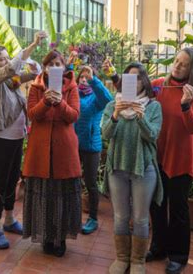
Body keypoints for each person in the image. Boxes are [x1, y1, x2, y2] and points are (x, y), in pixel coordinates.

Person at [0, 31, 46, 249]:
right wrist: (33, 45)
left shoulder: (10, 82)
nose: (7, 62)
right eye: (2, 58)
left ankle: (9, 220)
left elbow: (23, 76)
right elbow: (12, 69)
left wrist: (35, 70)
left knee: (12, 180)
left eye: (8, 57)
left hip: (16, 137)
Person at [147, 47, 193, 274]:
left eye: (184, 64)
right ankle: (158, 247)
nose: (178, 66)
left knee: (179, 210)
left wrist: (185, 105)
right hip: (158, 155)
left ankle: (178, 256)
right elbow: (139, 90)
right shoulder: (161, 84)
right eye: (176, 61)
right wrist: (114, 76)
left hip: (181, 158)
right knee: (157, 205)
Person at [101, 62, 163, 274]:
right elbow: (105, 135)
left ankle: (138, 261)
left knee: (140, 217)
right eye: (128, 78)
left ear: (144, 81)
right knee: (120, 216)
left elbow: (152, 136)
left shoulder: (153, 107)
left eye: (137, 78)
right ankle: (121, 258)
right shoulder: (112, 105)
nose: (133, 82)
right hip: (117, 168)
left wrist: (141, 117)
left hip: (143, 169)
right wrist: (116, 116)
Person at [22, 50, 81, 257]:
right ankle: (46, 237)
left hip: (64, 150)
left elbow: (73, 115)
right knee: (45, 194)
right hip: (40, 149)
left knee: (62, 195)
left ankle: (61, 237)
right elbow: (31, 115)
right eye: (51, 64)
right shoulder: (36, 87)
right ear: (45, 67)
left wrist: (60, 103)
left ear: (64, 68)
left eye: (59, 64)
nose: (55, 67)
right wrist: (46, 102)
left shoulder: (72, 87)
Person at [74, 66, 113, 234]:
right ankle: (73, 216)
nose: (83, 79)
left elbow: (108, 99)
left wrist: (93, 80)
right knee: (73, 182)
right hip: (73, 146)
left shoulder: (96, 98)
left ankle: (93, 219)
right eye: (81, 77)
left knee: (90, 183)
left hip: (91, 147)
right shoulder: (73, 95)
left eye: (86, 77)